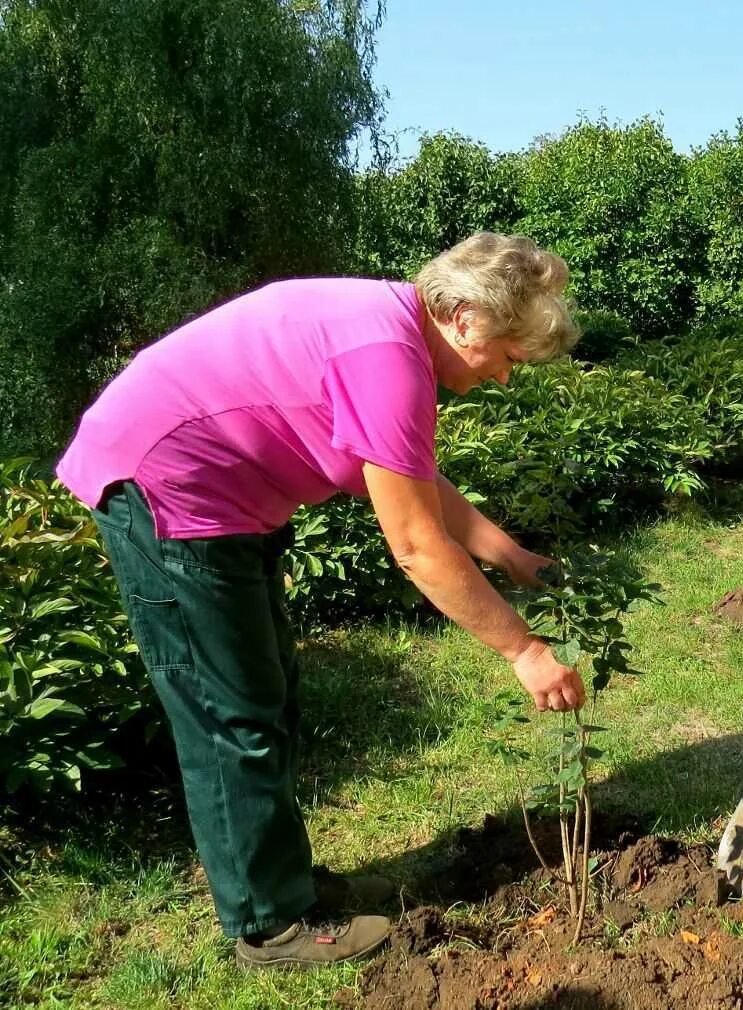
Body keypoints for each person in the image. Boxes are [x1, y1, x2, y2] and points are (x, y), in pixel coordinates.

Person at [56, 232, 587, 969]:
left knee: (268, 694)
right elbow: (415, 547)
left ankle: (282, 881)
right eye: (510, 356)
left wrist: (513, 558)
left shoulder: (391, 332)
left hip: (230, 504)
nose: (504, 377)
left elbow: (418, 484)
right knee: (231, 713)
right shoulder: (386, 359)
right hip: (167, 493)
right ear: (466, 318)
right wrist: (524, 651)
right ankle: (269, 927)